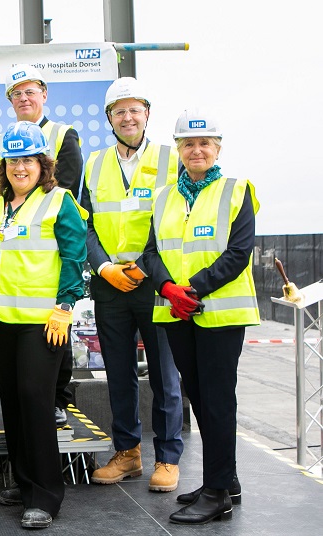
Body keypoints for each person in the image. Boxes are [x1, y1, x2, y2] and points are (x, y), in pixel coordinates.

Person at [141, 109, 258, 524]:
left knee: (218, 402)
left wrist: (194, 289)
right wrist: (168, 289)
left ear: (218, 148)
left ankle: (216, 495)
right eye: (188, 144)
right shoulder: (163, 196)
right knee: (200, 398)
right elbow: (150, 254)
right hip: (177, 313)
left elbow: (239, 253)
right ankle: (225, 481)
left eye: (204, 143)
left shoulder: (236, 190)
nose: (196, 150)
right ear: (178, 150)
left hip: (219, 315)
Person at [0, 122, 87, 529]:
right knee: (13, 402)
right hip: (4, 320)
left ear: (44, 164)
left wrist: (65, 305)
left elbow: (75, 258)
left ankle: (45, 494)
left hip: (44, 323)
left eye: (27, 159)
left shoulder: (60, 202)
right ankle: (24, 482)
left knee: (36, 402)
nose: (19, 167)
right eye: (12, 160)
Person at [83, 78, 184, 493]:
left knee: (164, 375)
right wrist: (104, 267)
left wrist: (144, 267)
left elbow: (177, 217)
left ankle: (167, 456)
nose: (127, 117)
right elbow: (84, 225)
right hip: (110, 286)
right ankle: (127, 453)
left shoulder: (170, 159)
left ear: (146, 115)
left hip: (154, 283)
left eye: (134, 110)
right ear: (109, 118)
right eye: (118, 111)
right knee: (118, 373)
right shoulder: (95, 162)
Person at [0, 64, 84, 427]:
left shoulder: (62, 134)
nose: (24, 98)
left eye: (30, 91)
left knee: (55, 347)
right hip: (10, 292)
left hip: (49, 264)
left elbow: (66, 190)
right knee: (17, 391)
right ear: (10, 101)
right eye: (17, 93)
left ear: (44, 94)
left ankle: (60, 399)